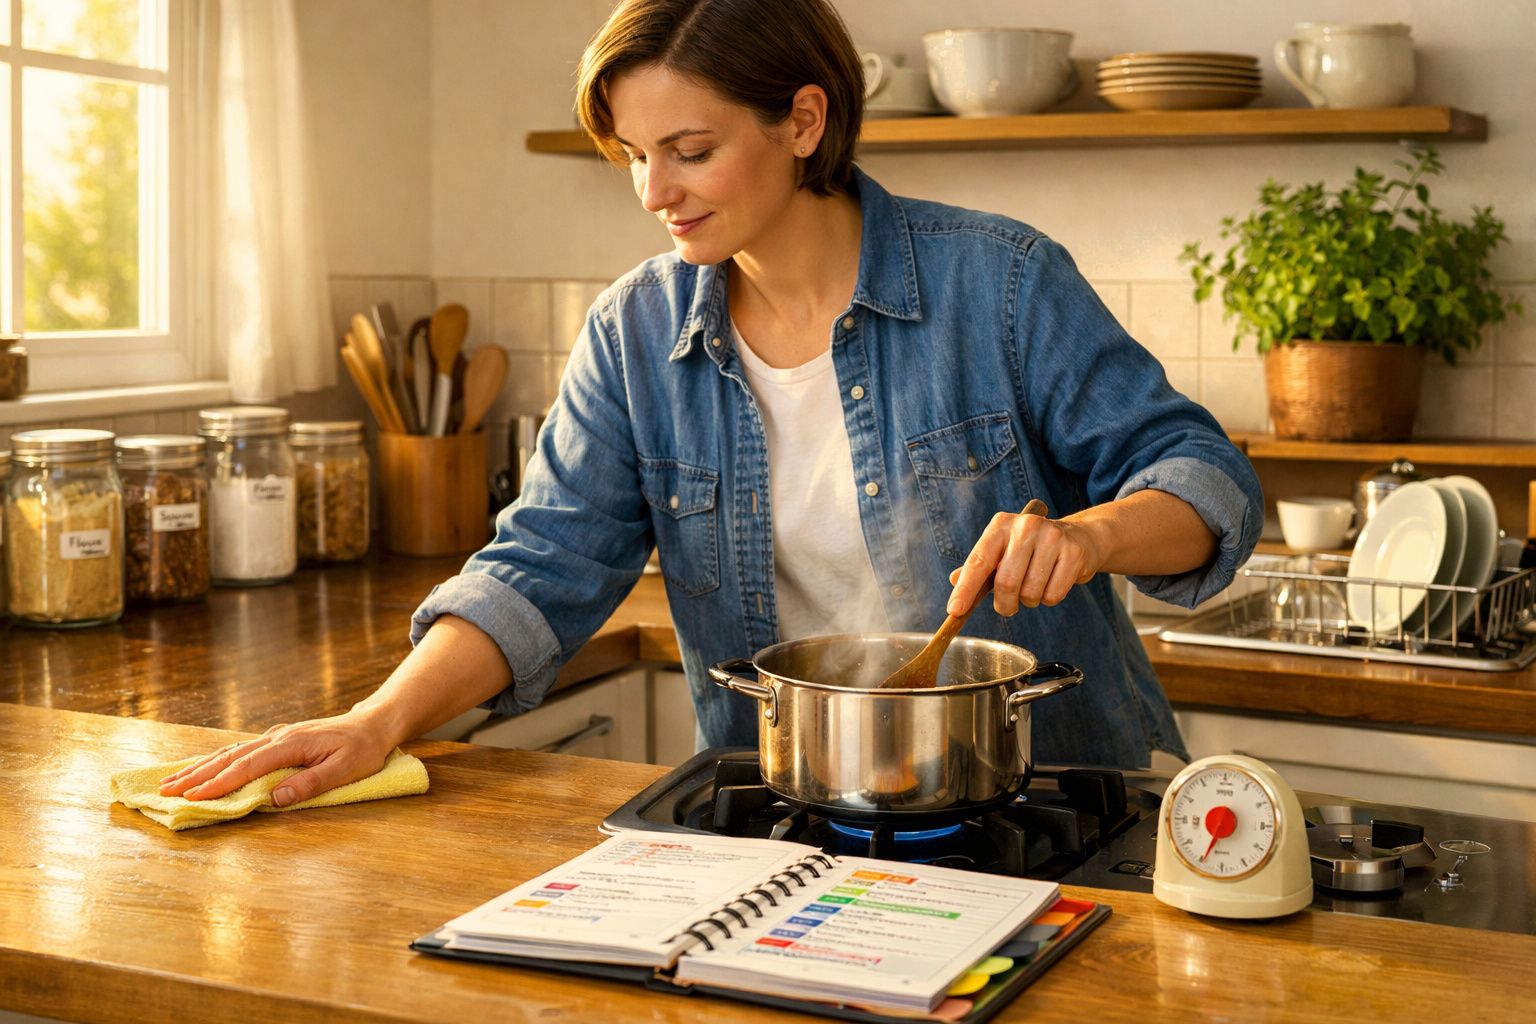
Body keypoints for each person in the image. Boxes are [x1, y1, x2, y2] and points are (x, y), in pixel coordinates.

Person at [161, 0, 1261, 808]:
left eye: (690, 151)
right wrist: (374, 722)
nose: (653, 191)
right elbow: (539, 568)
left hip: (1055, 793)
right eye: (635, 156)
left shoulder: (1003, 284)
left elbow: (1203, 480)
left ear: (802, 121)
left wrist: (1085, 534)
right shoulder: (636, 335)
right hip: (786, 801)